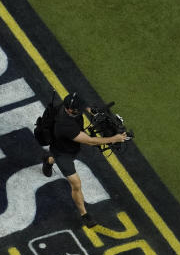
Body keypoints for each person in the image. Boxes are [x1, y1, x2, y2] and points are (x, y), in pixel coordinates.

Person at [41, 92, 129, 227]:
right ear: (71, 110)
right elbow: (91, 141)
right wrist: (114, 139)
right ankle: (84, 214)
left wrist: (92, 111)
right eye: (80, 109)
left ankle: (48, 159)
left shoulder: (68, 105)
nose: (82, 110)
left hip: (68, 144)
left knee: (57, 153)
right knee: (76, 184)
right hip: (63, 153)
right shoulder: (66, 125)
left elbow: (83, 105)